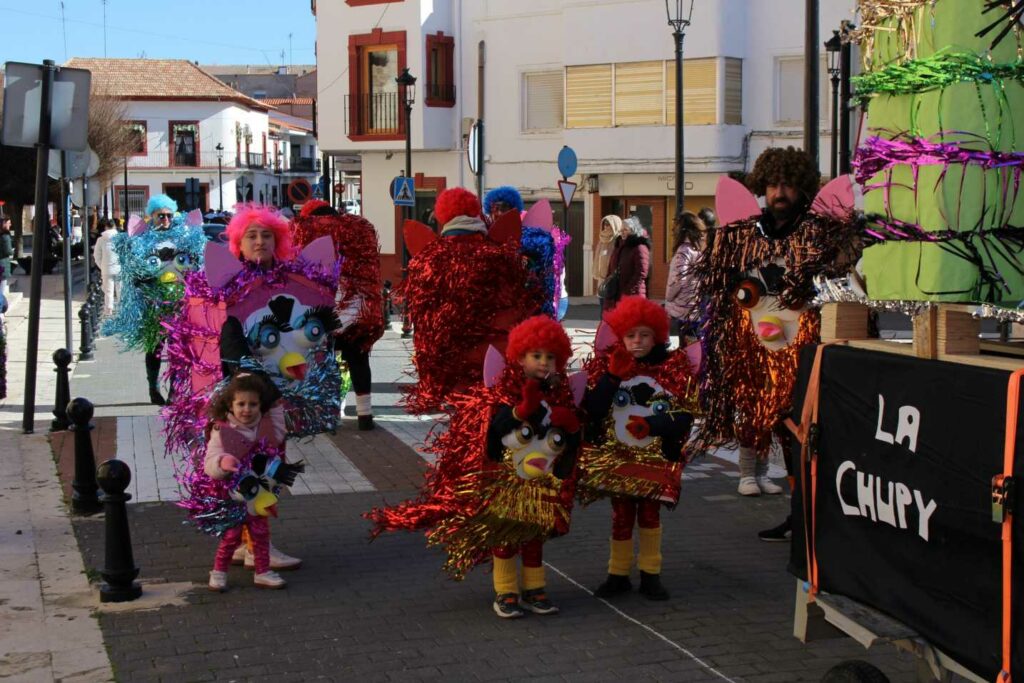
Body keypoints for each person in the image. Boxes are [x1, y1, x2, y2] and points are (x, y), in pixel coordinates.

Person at [691, 146, 861, 539]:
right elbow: (722, 293)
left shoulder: (821, 235)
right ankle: (798, 516)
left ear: (801, 188)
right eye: (772, 184)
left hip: (810, 354)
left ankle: (814, 517)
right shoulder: (745, 235)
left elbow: (846, 289)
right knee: (782, 437)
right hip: (760, 356)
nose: (779, 192)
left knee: (810, 438)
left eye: (787, 184)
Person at [366, 315, 583, 619]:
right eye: (536, 356)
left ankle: (535, 589)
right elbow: (495, 430)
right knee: (505, 536)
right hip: (508, 483)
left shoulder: (560, 394)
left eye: (550, 357)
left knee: (535, 537)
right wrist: (520, 412)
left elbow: (570, 440)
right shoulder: (505, 391)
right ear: (520, 357)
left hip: (541, 484)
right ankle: (506, 591)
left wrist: (569, 430)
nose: (544, 363)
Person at [581, 296, 697, 601]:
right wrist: (611, 377)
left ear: (657, 336)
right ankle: (617, 574)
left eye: (644, 335)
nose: (637, 342)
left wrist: (654, 426)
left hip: (654, 461)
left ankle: (650, 574)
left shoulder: (672, 369)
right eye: (630, 335)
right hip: (619, 458)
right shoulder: (610, 368)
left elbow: (685, 416)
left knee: (649, 516)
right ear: (620, 337)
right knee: (620, 516)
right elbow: (592, 409)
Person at [292, 200, 385, 431]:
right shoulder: (361, 228)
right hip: (358, 310)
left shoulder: (302, 230)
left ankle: (328, 412)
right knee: (359, 360)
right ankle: (365, 413)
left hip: (322, 312)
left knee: (323, 360)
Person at [203, 373, 302, 591]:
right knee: (231, 536)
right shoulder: (222, 430)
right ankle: (218, 572)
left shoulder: (266, 426)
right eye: (241, 404)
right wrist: (222, 462)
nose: (246, 409)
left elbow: (279, 427)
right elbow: (210, 460)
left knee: (260, 534)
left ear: (261, 406)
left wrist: (274, 400)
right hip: (235, 497)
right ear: (230, 404)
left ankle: (263, 571)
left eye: (253, 404)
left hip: (259, 497)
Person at [664, 212, 707, 347]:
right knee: (693, 345)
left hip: (683, 307)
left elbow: (679, 279)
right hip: (694, 305)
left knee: (687, 348)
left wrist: (669, 297)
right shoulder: (697, 250)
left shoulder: (684, 251)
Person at [605, 216, 651, 308]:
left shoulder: (639, 247)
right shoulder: (619, 245)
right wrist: (608, 283)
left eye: (625, 230)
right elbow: (611, 267)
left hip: (633, 295)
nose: (622, 232)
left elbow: (641, 273)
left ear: (633, 230)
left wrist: (627, 291)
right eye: (621, 230)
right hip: (616, 294)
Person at [93, 219, 121, 316]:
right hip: (119, 268)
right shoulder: (120, 238)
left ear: (106, 227)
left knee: (108, 291)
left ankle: (108, 310)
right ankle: (121, 311)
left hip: (106, 269)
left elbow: (97, 255)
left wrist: (102, 266)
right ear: (115, 227)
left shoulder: (101, 240)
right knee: (120, 290)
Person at [594, 216, 619, 310]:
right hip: (602, 280)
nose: (606, 226)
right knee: (602, 309)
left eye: (609, 224)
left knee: (611, 310)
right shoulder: (602, 239)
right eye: (605, 223)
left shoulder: (618, 240)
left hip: (613, 280)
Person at [0, 216, 13, 294]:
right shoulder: (5, 236)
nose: (10, 225)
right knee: (2, 287)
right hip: (2, 263)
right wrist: (12, 251)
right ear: (3, 224)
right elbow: (8, 251)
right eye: (9, 223)